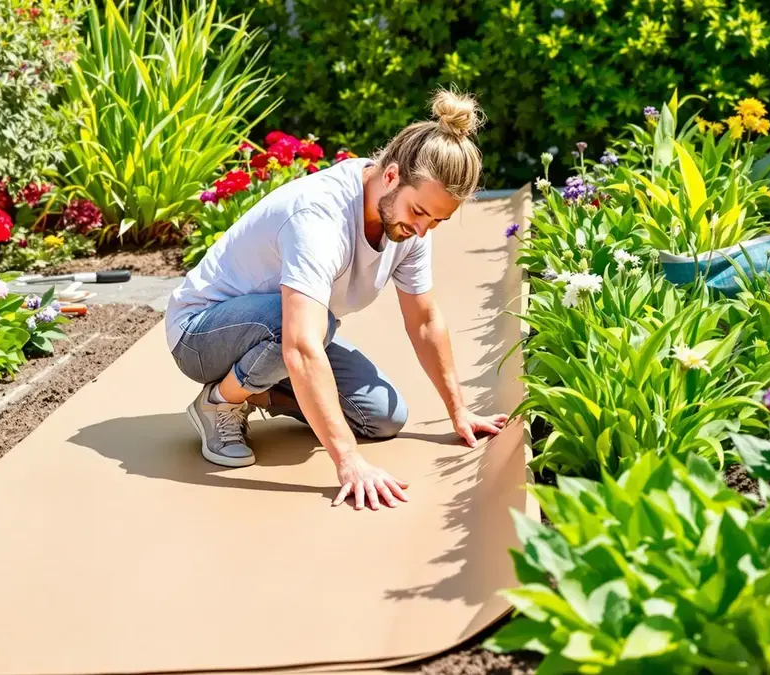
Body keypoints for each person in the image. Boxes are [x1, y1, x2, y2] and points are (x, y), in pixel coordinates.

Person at [164, 89, 511, 511]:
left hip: (283, 331)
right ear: (391, 176)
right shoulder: (319, 217)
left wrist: (459, 410)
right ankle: (218, 401)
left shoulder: (409, 226)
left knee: (383, 416)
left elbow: (423, 321)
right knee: (313, 329)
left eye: (438, 221)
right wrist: (348, 459)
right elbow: (302, 346)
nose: (423, 229)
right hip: (200, 334)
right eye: (420, 213)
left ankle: (255, 390)